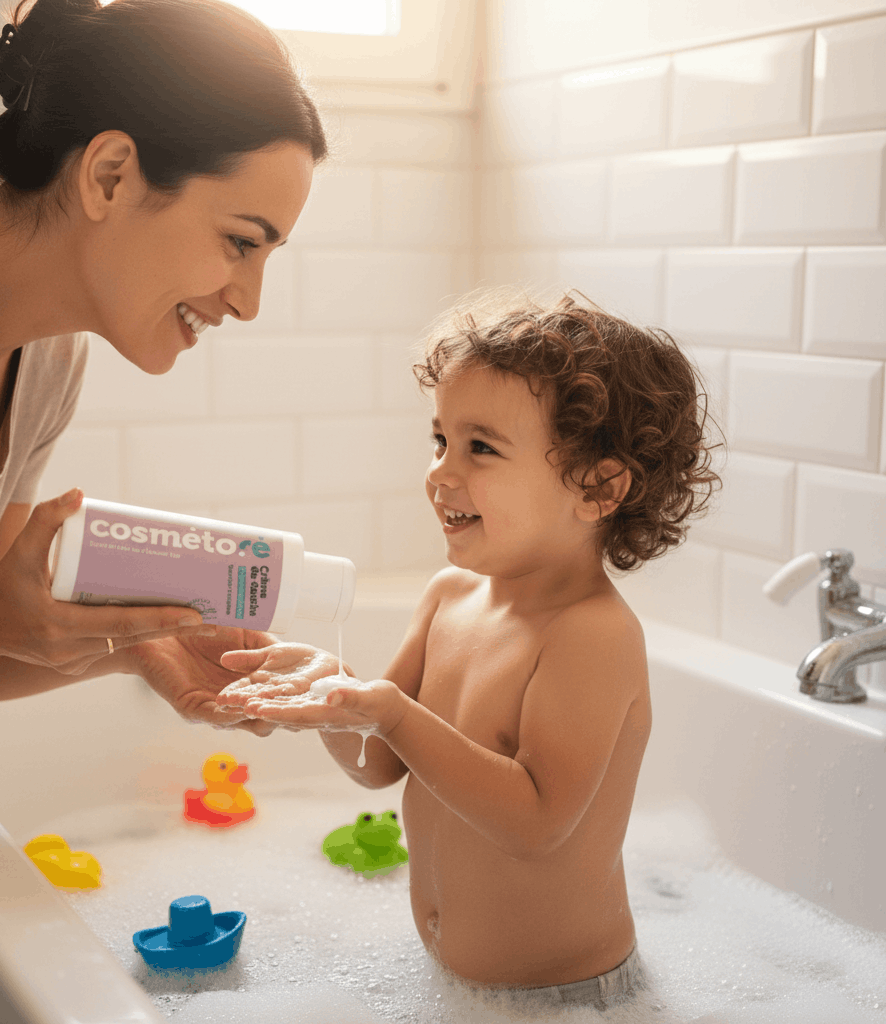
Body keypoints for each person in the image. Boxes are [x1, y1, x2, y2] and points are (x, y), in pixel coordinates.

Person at [218, 292, 721, 1007]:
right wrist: (333, 693)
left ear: (598, 486)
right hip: (458, 988)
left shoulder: (590, 633)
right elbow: (378, 762)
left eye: (480, 447)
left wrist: (390, 711)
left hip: (567, 999)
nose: (441, 472)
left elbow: (539, 823)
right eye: (439, 440)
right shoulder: (449, 597)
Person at [0, 0, 326, 719]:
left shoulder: (49, 360)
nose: (248, 302)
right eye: (241, 241)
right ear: (109, 174)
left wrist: (134, 645)